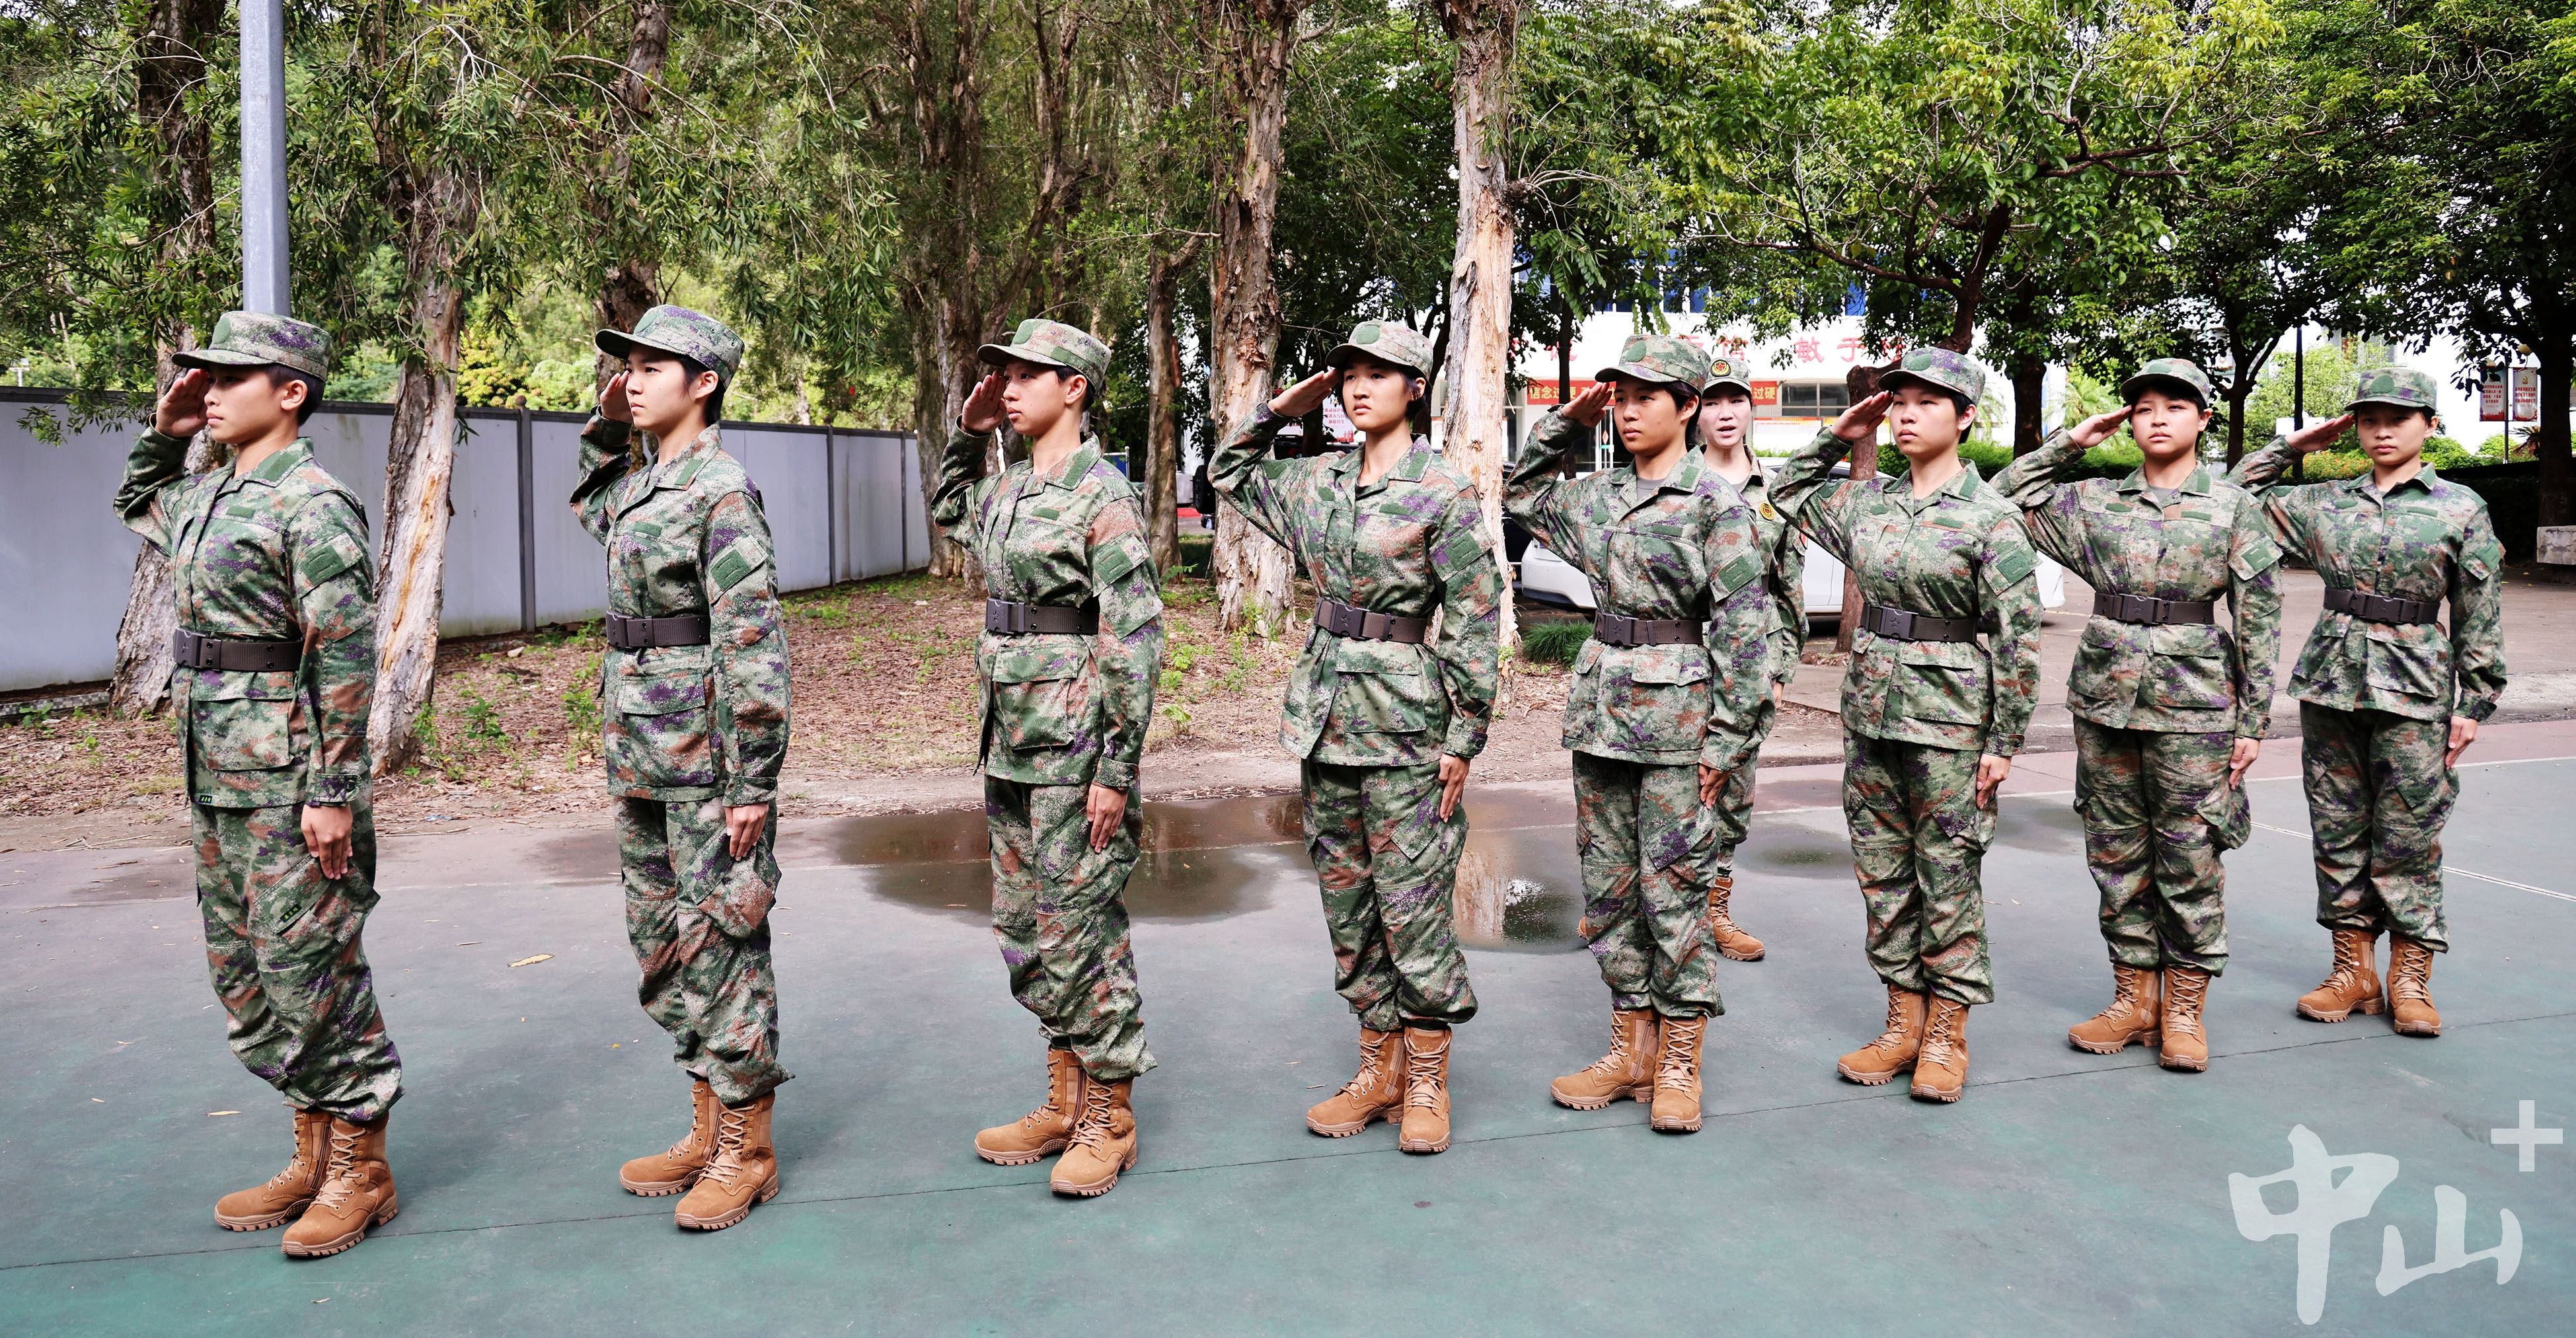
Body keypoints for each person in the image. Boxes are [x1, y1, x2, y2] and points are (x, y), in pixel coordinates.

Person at [114, 311, 403, 1257]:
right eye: (203, 377)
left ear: (290, 393)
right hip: (218, 774)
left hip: (291, 784)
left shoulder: (313, 503)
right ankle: (312, 1151)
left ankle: (360, 1167)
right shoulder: (208, 494)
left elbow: (345, 654)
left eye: (229, 378)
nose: (207, 391)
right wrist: (165, 433)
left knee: (311, 971)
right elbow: (137, 499)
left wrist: (333, 790)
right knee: (245, 978)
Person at [1211, 320, 1502, 1154]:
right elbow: (1227, 473)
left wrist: (1464, 736)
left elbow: (1475, 616)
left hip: (1407, 727)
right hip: (1326, 720)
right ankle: (1377, 1068)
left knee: (1411, 908)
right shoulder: (1318, 480)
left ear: (1416, 388)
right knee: (1349, 907)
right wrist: (1277, 410)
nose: (1359, 386)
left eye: (1380, 373)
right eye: (1348, 374)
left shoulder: (1441, 490)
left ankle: (1426, 1078)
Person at [1505, 333, 1776, 1134]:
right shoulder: (1597, 496)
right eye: (1619, 397)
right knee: (1610, 892)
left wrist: (1727, 744)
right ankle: (1631, 1049)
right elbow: (1520, 494)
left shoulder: (1717, 506)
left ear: (1687, 407)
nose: (1626, 410)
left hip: (1680, 729)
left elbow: (1745, 634)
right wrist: (1567, 421)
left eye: (1644, 397)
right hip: (1602, 719)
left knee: (1675, 892)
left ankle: (1680, 1058)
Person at [1993, 358, 2283, 1072]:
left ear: (2204, 419)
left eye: (2175, 406)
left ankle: (2184, 1007)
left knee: (2190, 856)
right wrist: (2072, 443)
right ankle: (2133, 996)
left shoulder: (2233, 506)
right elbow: (1999, 499)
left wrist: (2252, 721)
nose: (2157, 418)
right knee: (2116, 853)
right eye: (2144, 407)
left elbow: (2259, 617)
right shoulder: (2093, 501)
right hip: (2104, 700)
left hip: (2196, 707)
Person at [1771, 348, 2043, 1103]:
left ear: (1965, 417)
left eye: (1928, 403)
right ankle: (1902, 1022)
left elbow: (2018, 639)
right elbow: (1785, 489)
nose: (1907, 415)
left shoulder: (1991, 519)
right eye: (1899, 403)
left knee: (1947, 877)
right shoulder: (1867, 504)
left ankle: (1947, 1034)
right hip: (1871, 715)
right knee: (1883, 874)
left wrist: (2004, 742)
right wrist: (1840, 431)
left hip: (1951, 723)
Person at [574, 305, 794, 1231]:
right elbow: (590, 501)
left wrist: (753, 783)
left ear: (704, 383)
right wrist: (605, 423)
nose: (631, 379)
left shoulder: (721, 491)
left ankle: (747, 1146)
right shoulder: (639, 487)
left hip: (707, 764)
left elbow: (754, 644)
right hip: (640, 753)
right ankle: (706, 1123)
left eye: (651, 366)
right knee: (661, 943)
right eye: (626, 365)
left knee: (722, 942)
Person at [934, 318, 1165, 1197]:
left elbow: (1134, 637)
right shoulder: (1008, 487)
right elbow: (950, 512)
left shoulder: (1102, 494)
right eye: (1004, 374)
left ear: (1075, 389)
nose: (1009, 386)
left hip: (1075, 748)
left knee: (1081, 933)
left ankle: (1110, 1116)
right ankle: (1065, 1099)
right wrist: (967, 436)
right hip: (1010, 739)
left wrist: (1116, 770)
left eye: (1028, 374)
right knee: (1025, 934)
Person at [2226, 367, 2506, 1038]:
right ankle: (2352, 970)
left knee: (2409, 835)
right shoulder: (2323, 502)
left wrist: (2475, 701)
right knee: (2337, 830)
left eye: (2399, 418)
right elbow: (2230, 498)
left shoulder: (2460, 507)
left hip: (2417, 691)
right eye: (2369, 418)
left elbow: (2479, 609)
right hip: (2332, 684)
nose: (2382, 430)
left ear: (2429, 425)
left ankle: (2410, 978)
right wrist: (2294, 447)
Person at [1693, 355, 1805, 962]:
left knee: (1731, 787)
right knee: (1656, 782)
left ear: (1751, 408)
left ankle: (1714, 908)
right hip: (1678, 655)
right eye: (1713, 401)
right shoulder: (1675, 482)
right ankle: (1628, 901)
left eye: (1735, 399)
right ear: (1695, 412)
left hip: (1746, 667)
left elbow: (1788, 592)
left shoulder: (1775, 493)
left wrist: (1780, 670)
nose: (1725, 412)